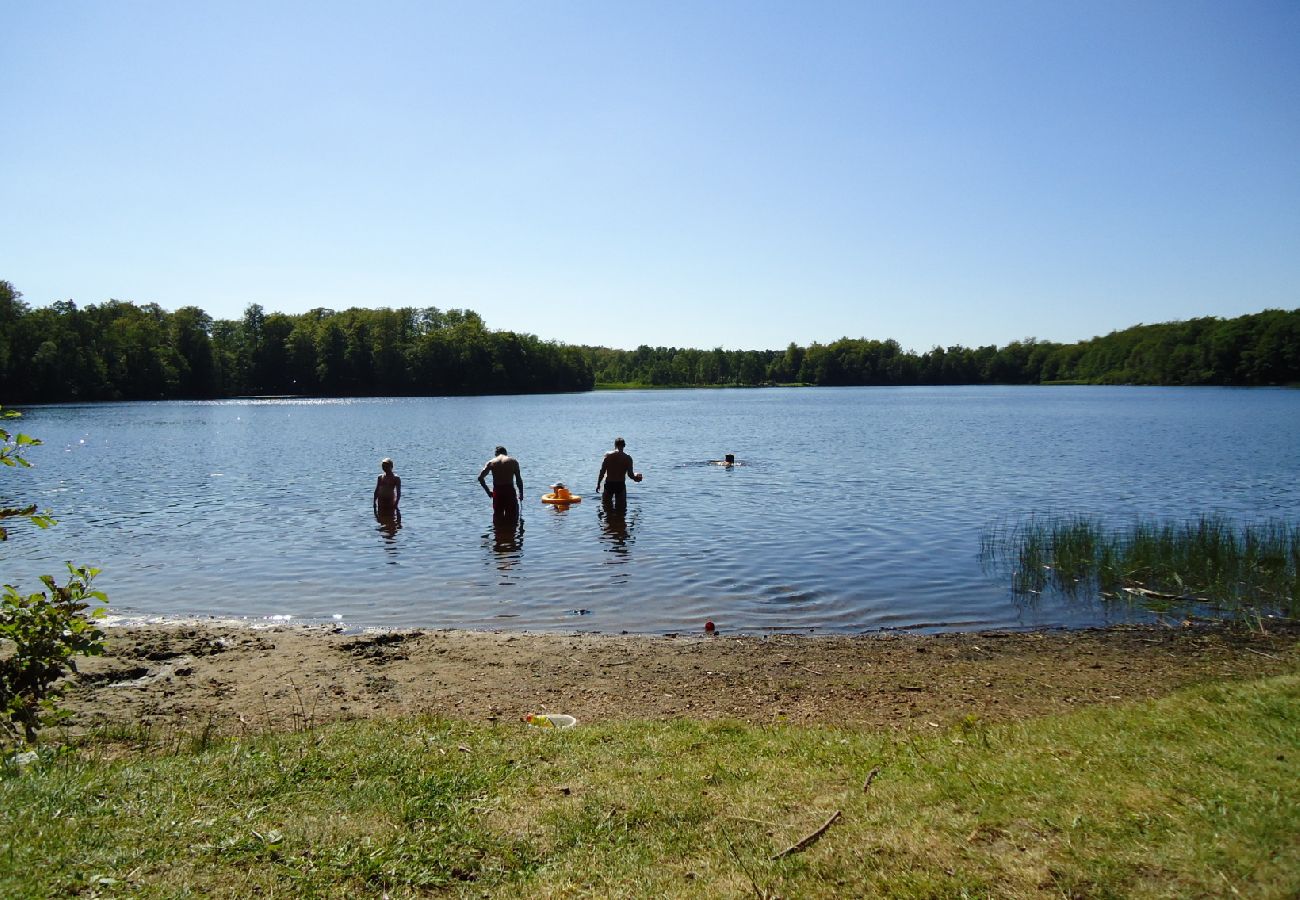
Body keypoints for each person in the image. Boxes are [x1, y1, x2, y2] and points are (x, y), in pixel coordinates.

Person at [596, 436, 642, 514]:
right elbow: (630, 475)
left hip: (609, 484)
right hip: (620, 485)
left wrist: (598, 484)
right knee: (621, 511)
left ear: (615, 445)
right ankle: (619, 523)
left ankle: (608, 524)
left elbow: (602, 472)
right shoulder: (628, 458)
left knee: (606, 509)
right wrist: (636, 477)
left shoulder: (607, 455)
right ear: (624, 445)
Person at [479, 445, 524, 522]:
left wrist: (488, 491)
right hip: (509, 491)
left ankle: (499, 532)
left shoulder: (491, 462)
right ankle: (511, 532)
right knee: (513, 517)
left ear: (496, 454)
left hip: (498, 492)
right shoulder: (513, 461)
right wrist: (521, 493)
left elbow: (480, 478)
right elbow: (518, 480)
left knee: (498, 516)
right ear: (505, 453)